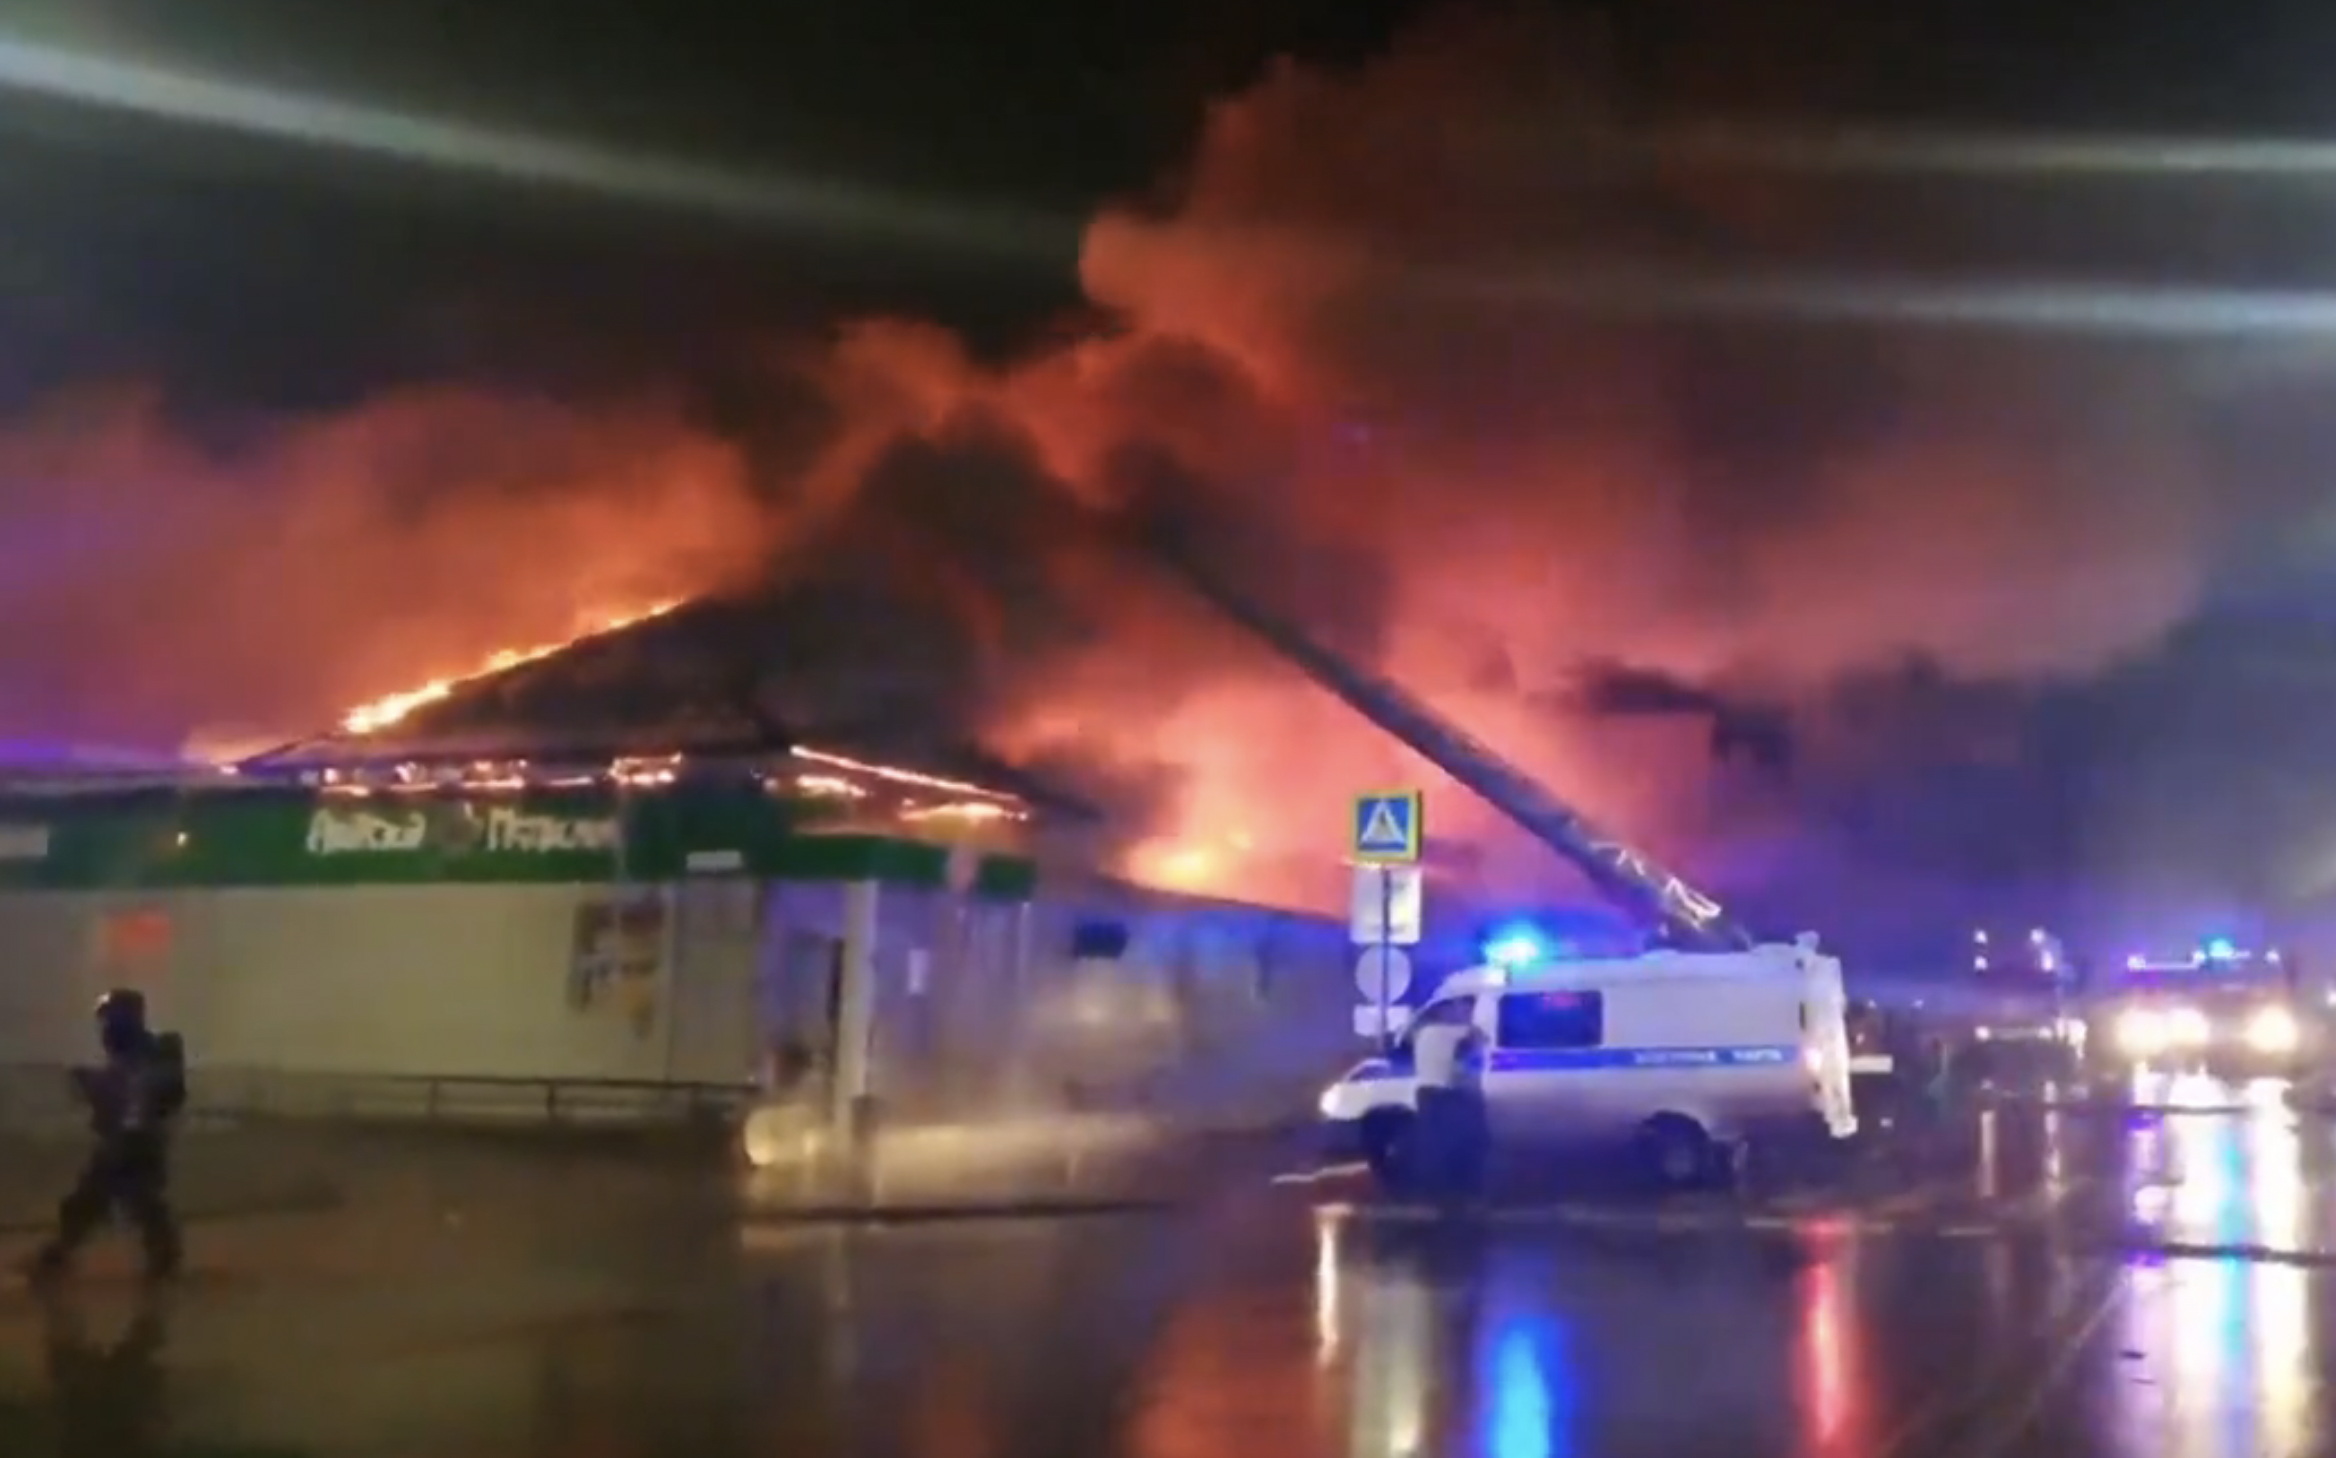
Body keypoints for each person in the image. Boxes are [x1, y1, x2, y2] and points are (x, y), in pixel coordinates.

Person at [20, 989, 186, 1284]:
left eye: (110, 1016)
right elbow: (119, 1091)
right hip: (127, 1141)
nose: (105, 1025)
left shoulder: (151, 1052)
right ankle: (60, 1256)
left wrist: (96, 1084)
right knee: (112, 1200)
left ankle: (60, 1257)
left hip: (137, 1141)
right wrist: (91, 1082)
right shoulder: (131, 1053)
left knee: (127, 1200)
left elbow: (146, 1089)